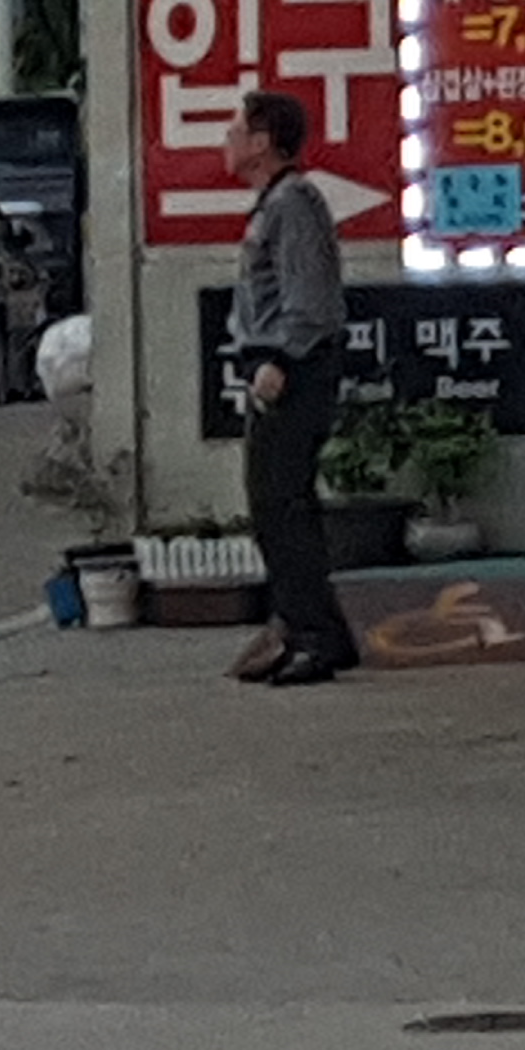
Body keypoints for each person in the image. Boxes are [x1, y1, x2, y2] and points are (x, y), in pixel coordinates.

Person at [225, 90, 358, 688]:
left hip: (295, 371)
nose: (226, 143)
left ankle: (314, 637)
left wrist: (280, 358)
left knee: (282, 504)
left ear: (262, 143)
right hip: (278, 369)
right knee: (275, 504)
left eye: (236, 131)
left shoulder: (293, 203)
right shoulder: (274, 204)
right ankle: (311, 628)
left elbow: (309, 296)